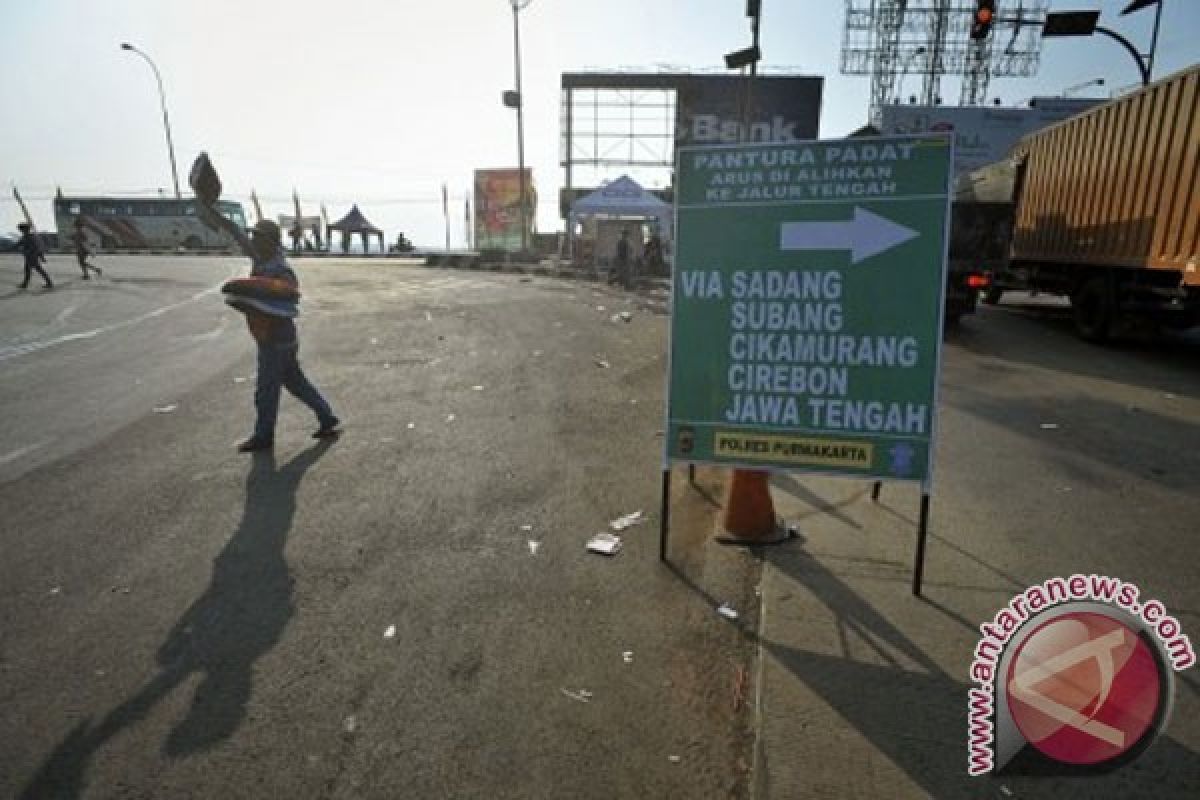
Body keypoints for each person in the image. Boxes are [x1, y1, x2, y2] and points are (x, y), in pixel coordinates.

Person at [197, 207, 340, 453]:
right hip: (275, 338)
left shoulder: (280, 270)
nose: (252, 240)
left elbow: (286, 299)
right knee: (296, 383)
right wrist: (214, 212)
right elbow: (237, 235)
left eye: (258, 237)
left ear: (270, 241)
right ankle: (326, 417)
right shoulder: (261, 259)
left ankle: (263, 437)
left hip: (277, 339)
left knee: (266, 391)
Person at [15, 222, 53, 290]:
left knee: (38, 270)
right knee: (29, 270)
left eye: (21, 229)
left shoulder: (30, 237)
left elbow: (37, 247)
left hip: (32, 257)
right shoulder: (27, 237)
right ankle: (25, 284)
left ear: (25, 229)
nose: (21, 231)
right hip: (29, 256)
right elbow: (18, 244)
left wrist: (41, 256)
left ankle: (49, 283)